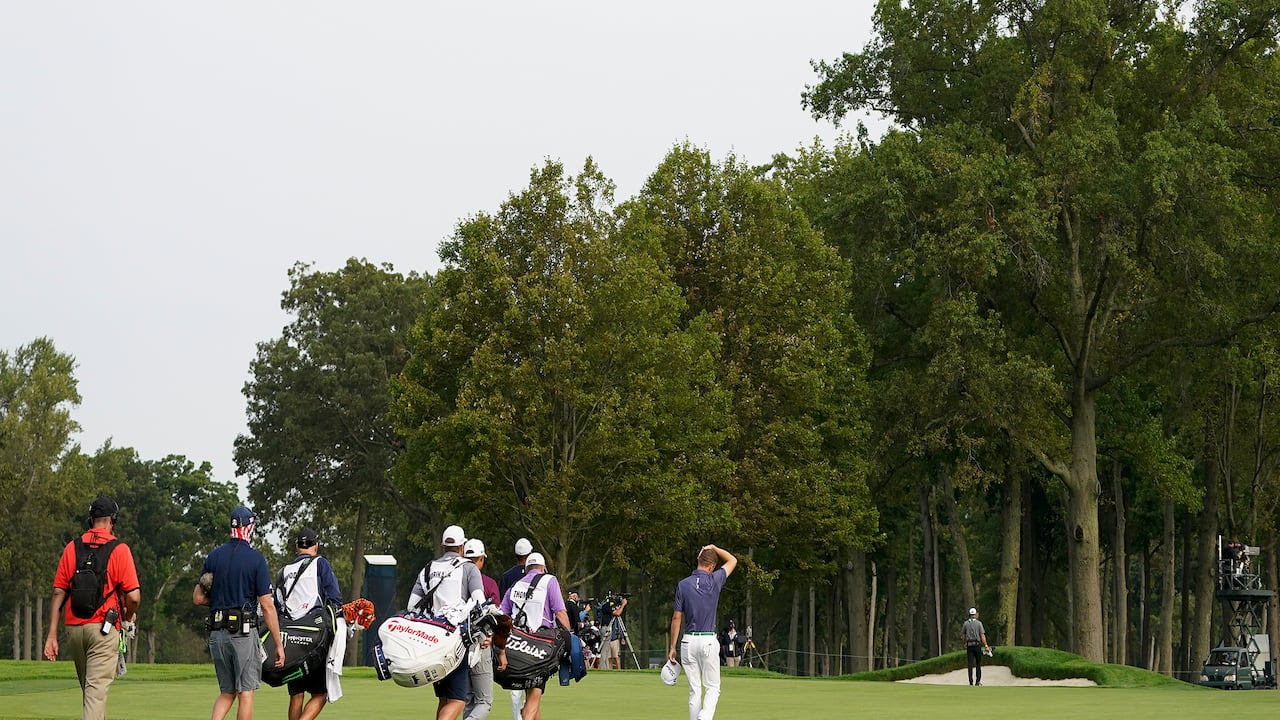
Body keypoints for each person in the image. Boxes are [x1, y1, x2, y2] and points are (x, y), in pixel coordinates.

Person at [43, 495, 142, 720]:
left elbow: (58, 592)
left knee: (91, 693)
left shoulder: (72, 547)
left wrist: (52, 635)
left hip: (74, 630)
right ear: (112, 520)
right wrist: (128, 616)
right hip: (103, 630)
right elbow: (134, 597)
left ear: (91, 520)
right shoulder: (119, 549)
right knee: (95, 694)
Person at [194, 505, 285, 720]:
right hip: (242, 634)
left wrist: (221, 602)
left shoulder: (214, 556)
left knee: (227, 692)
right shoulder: (256, 559)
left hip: (217, 633)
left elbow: (198, 597)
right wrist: (278, 644)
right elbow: (267, 606)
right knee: (245, 692)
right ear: (249, 527)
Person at [408, 525, 487, 720]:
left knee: (443, 699)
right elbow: (480, 603)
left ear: (443, 546)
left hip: (432, 641)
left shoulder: (427, 569)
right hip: (455, 641)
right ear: (462, 547)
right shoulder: (468, 568)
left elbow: (412, 607)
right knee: (458, 700)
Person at [275, 527, 343, 720]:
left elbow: (277, 605)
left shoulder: (283, 571)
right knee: (320, 694)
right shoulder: (320, 563)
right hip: (314, 637)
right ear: (316, 546)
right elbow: (335, 598)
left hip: (290, 638)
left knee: (296, 695)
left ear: (297, 547)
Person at [500, 552, 571, 720]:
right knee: (532, 700)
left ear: (526, 569)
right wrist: (570, 639)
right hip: (539, 648)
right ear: (543, 568)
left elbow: (502, 616)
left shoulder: (515, 585)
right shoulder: (550, 580)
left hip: (516, 646)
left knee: (532, 692)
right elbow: (560, 613)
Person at [668, 544, 737, 720]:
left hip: (688, 642)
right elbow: (732, 560)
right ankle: (704, 717)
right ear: (712, 566)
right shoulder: (715, 579)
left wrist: (672, 647)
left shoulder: (683, 585)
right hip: (707, 640)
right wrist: (714, 547)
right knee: (712, 687)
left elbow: (676, 618)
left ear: (698, 560)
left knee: (694, 690)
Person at [463, 538, 501, 720]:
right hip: (481, 642)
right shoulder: (489, 583)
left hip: (457, 645)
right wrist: (492, 637)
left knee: (468, 700)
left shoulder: (454, 581)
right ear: (481, 559)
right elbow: (496, 617)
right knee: (484, 701)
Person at [499, 538, 533, 720]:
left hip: (512, 632)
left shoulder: (506, 576)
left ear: (515, 555)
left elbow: (502, 608)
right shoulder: (538, 576)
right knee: (532, 681)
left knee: (516, 680)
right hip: (533, 632)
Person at [596, 593, 629, 669]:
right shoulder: (606, 607)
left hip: (606, 629)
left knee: (606, 650)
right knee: (605, 650)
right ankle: (604, 667)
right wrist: (623, 605)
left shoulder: (605, 606)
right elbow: (617, 613)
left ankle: (606, 667)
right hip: (606, 628)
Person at [961, 607, 990, 686]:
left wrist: (964, 643)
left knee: (970, 664)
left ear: (970, 614)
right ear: (975, 614)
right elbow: (982, 635)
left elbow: (963, 635)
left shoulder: (965, 623)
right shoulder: (979, 623)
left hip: (969, 645)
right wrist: (986, 645)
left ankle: (970, 681)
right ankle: (977, 681)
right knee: (978, 664)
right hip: (977, 645)